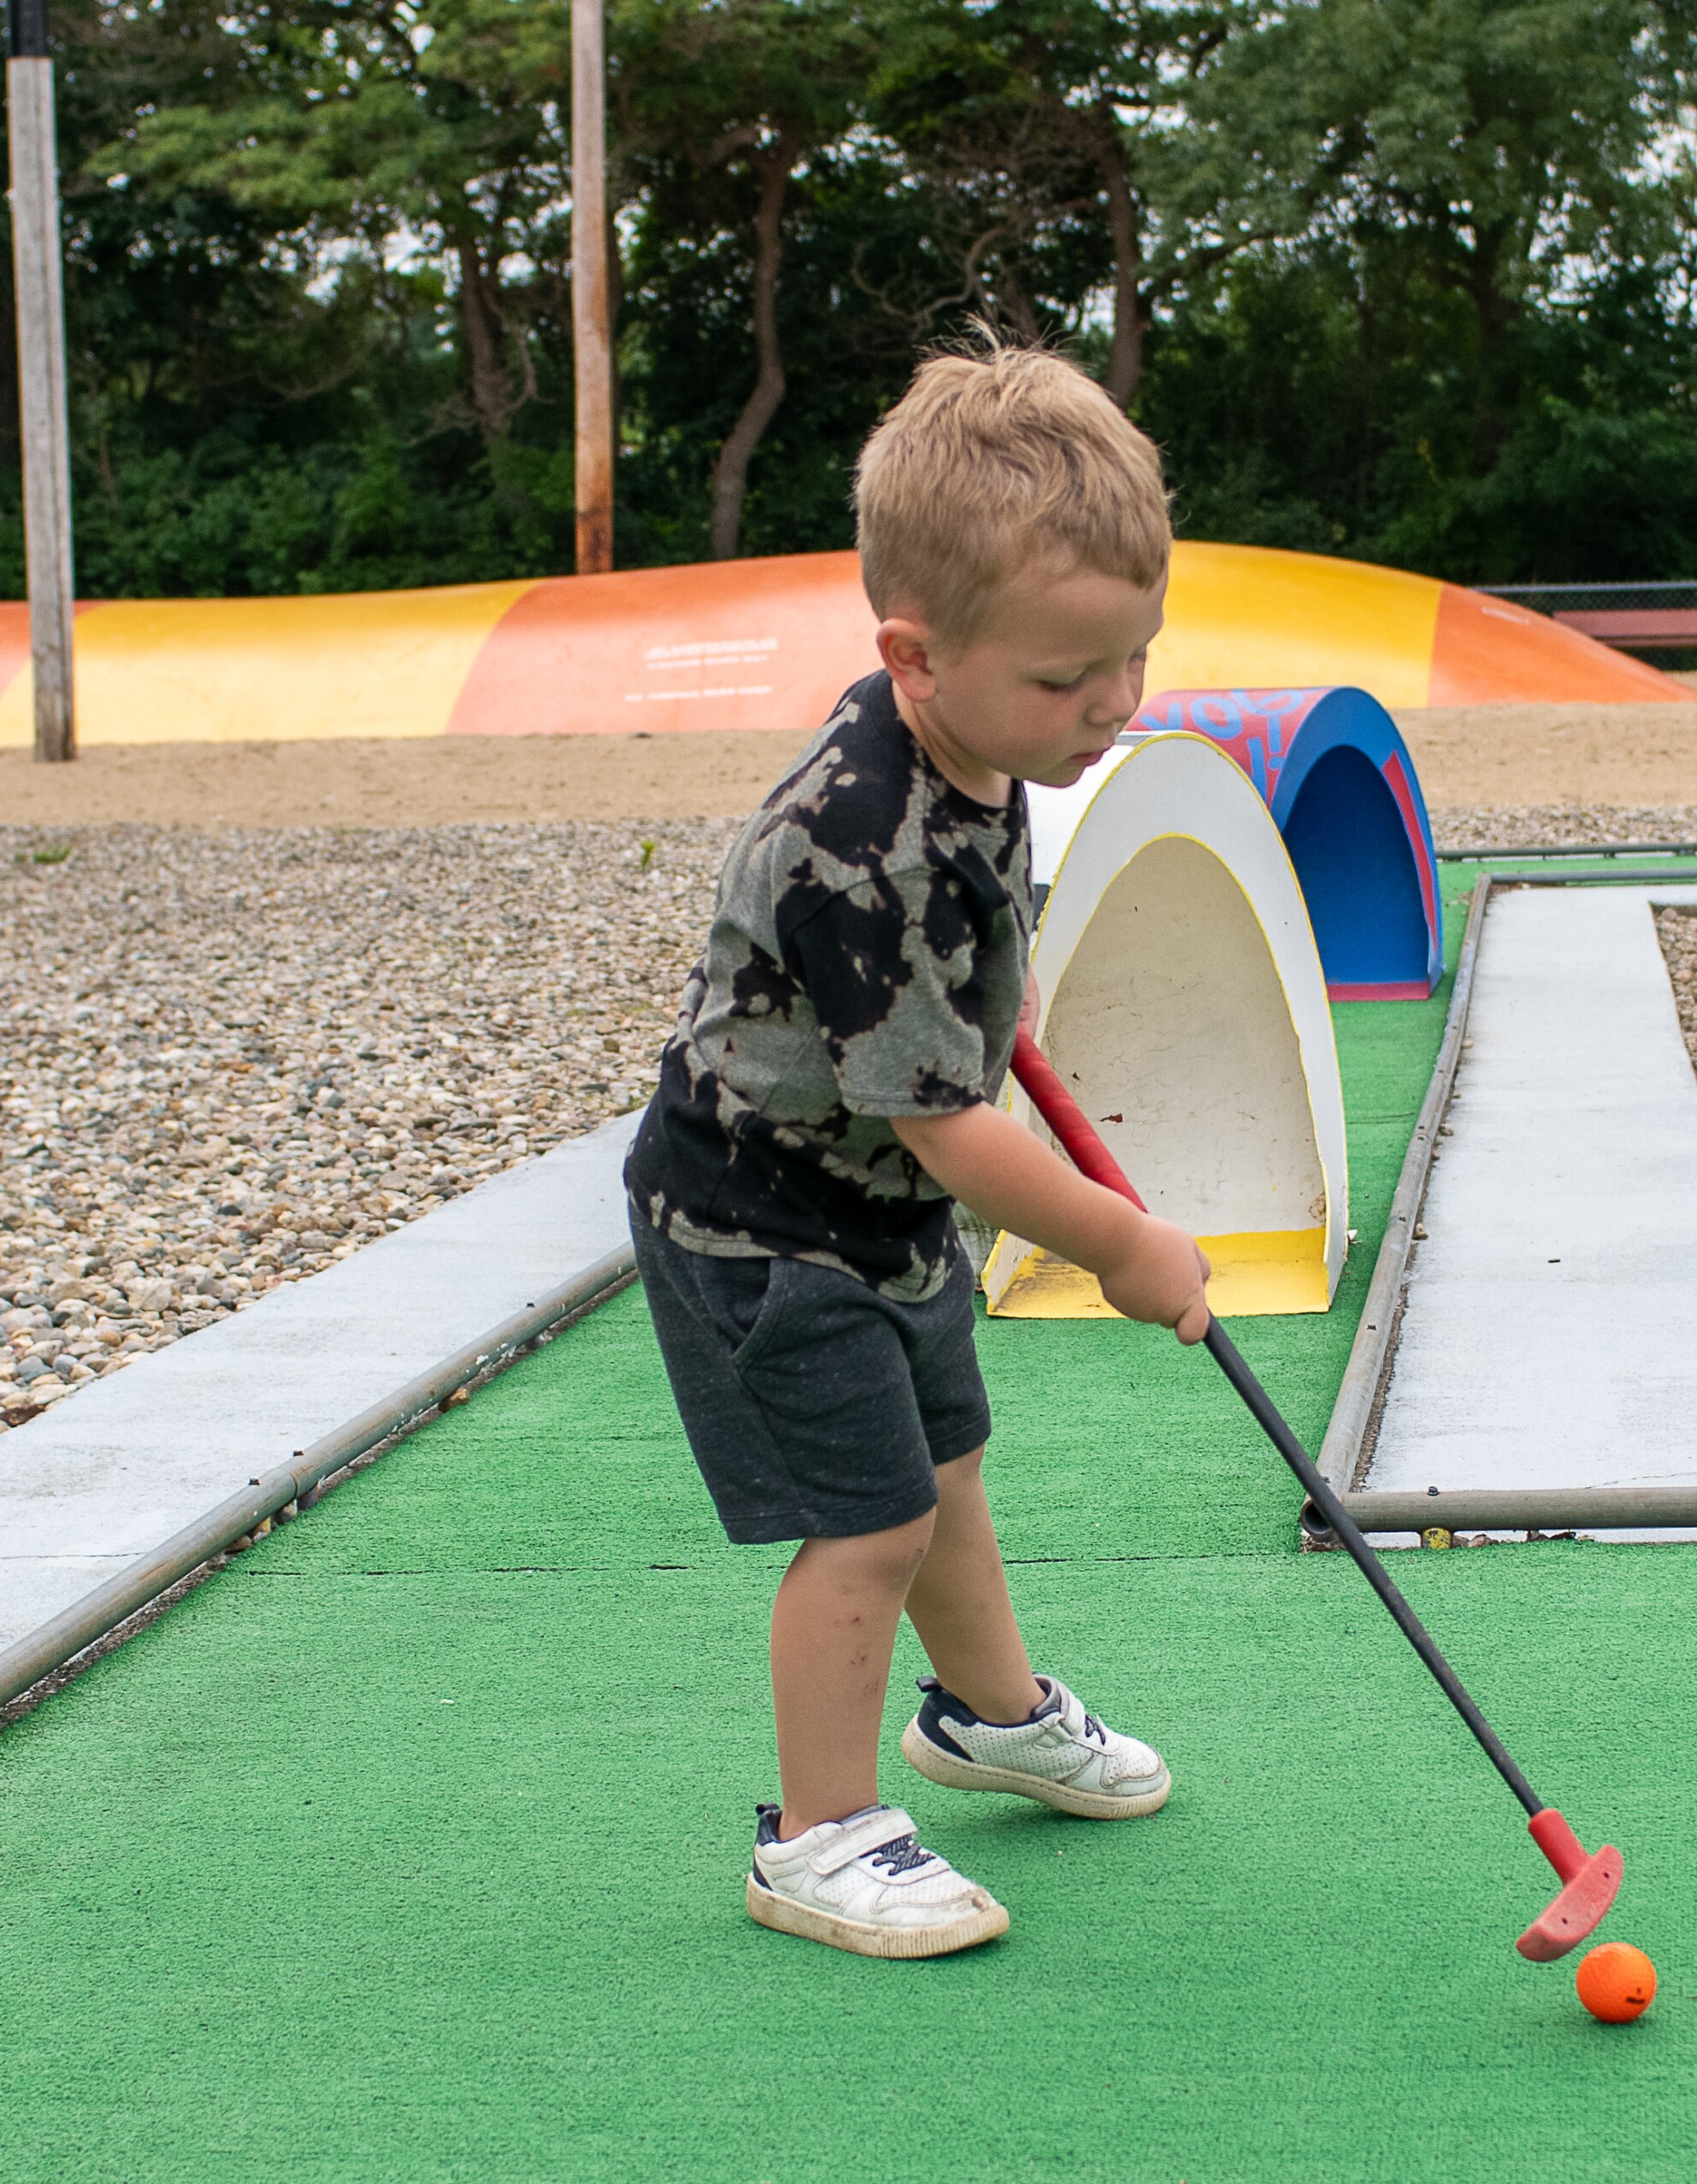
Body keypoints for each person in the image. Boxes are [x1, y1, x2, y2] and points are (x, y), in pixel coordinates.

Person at [625, 345, 1212, 1959]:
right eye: (1068, 679)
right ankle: (816, 1837)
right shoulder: (860, 843)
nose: (1112, 706)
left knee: (946, 1463)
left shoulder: (978, 732)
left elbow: (958, 978)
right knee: (870, 1519)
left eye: (1135, 658)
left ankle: (989, 1716)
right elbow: (946, 1131)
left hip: (870, 1207)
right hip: (760, 1224)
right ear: (916, 655)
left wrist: (986, 997)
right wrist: (1120, 1242)